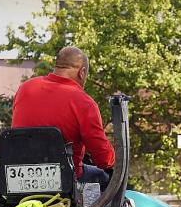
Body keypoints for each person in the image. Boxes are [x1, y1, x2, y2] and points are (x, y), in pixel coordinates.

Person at [12, 46, 115, 186]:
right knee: (107, 177)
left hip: (20, 179)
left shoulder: (26, 88)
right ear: (82, 72)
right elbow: (104, 159)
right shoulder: (84, 103)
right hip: (64, 181)